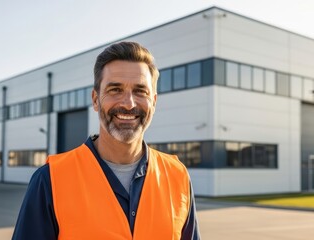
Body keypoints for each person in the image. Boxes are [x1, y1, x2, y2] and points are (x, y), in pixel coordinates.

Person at [12, 41, 200, 239]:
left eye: (140, 91)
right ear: (95, 99)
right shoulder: (50, 179)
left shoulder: (177, 176)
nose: (129, 104)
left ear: (153, 101)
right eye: (115, 90)